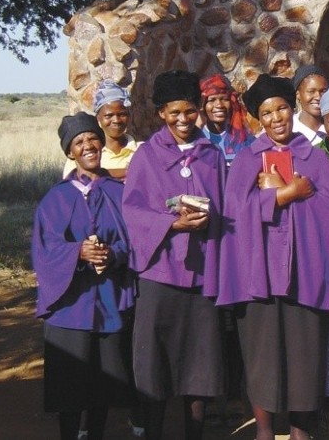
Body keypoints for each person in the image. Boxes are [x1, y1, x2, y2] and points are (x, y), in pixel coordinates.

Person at [215, 73, 329, 440]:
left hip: (303, 276)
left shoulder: (315, 157)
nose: (276, 118)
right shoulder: (247, 159)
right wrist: (285, 195)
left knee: (303, 358)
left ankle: (300, 432)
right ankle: (264, 430)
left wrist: (294, 193)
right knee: (261, 358)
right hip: (258, 276)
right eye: (267, 112)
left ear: (292, 110)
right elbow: (233, 214)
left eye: (282, 109)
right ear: (257, 119)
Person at [122, 70, 226, 440]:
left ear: (198, 110)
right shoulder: (147, 157)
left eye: (189, 112)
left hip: (202, 275)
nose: (183, 120)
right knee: (156, 363)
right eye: (174, 113)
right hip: (160, 275)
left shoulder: (212, 155)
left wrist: (208, 218)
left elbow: (226, 206)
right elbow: (132, 212)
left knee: (198, 365)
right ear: (161, 113)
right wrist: (171, 225)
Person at [33, 112, 134, 440]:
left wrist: (112, 255)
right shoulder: (55, 200)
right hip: (70, 308)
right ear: (69, 152)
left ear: (101, 143)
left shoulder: (119, 194)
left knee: (102, 386)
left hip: (108, 301)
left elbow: (135, 241)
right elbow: (44, 250)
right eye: (79, 142)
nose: (88, 145)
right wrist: (78, 252)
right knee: (70, 389)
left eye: (92, 138)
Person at [62, 80, 139, 180]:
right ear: (98, 118)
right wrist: (129, 172)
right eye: (109, 115)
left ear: (129, 116)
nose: (116, 120)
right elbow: (78, 181)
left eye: (122, 114)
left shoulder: (141, 150)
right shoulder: (87, 153)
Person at [199, 73, 255, 166]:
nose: (219, 105)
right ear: (203, 106)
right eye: (212, 100)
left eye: (224, 99)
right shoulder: (197, 139)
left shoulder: (244, 139)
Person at [291, 64, 329, 144]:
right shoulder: (290, 130)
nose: (318, 97)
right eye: (311, 91)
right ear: (298, 94)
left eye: (323, 91)